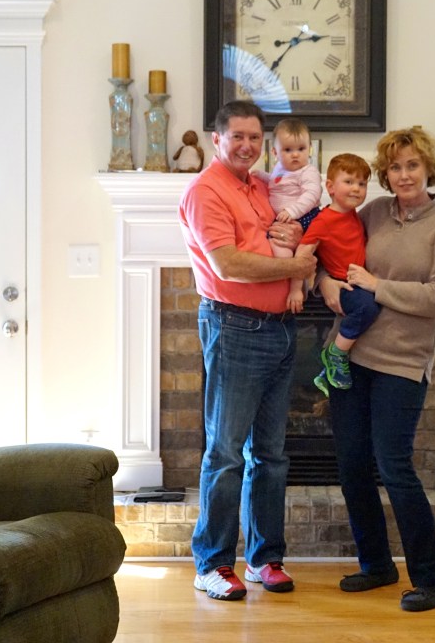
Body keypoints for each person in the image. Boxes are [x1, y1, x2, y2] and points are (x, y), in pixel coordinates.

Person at [318, 126, 435, 613]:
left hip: (402, 364)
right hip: (349, 357)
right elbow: (330, 252)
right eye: (395, 167)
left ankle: (432, 579)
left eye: (412, 165)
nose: (403, 175)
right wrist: (324, 283)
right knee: (352, 467)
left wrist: (377, 286)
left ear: (428, 169)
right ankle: (376, 565)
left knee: (395, 468)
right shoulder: (372, 213)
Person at [177, 100, 318, 602]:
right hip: (234, 326)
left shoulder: (260, 185)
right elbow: (229, 265)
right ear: (217, 139)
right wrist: (297, 268)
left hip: (280, 328)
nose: (246, 146)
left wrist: (296, 234)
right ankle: (212, 564)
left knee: (271, 455)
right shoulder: (206, 191)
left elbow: (286, 229)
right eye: (237, 136)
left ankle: (263, 558)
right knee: (226, 452)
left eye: (255, 138)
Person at [288, 152, 380, 395]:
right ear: (330, 187)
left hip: (356, 281)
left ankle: (324, 374)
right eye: (349, 182)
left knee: (373, 306)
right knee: (368, 308)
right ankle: (335, 353)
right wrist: (296, 289)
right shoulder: (323, 220)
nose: (356, 188)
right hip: (342, 284)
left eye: (362, 183)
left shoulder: (354, 216)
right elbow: (303, 252)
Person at [253, 118, 324, 309]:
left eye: (301, 149)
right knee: (280, 251)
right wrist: (263, 177)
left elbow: (312, 194)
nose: (295, 155)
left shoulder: (308, 171)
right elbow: (276, 183)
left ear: (309, 149)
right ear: (275, 153)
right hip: (284, 218)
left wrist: (293, 211)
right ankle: (287, 285)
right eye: (288, 150)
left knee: (302, 253)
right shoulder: (279, 170)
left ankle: (297, 289)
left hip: (305, 215)